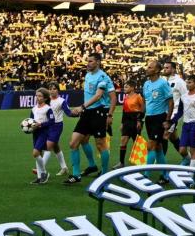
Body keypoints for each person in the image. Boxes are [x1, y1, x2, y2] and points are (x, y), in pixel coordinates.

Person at [64, 52, 116, 185]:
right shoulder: (88, 75)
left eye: (91, 61)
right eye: (87, 61)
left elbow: (100, 96)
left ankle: (104, 174)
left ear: (98, 62)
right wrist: (84, 109)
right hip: (87, 112)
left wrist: (109, 114)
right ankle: (76, 175)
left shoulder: (103, 77)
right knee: (74, 142)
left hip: (99, 112)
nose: (88, 63)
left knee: (100, 144)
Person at [141, 59, 173, 181]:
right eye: (148, 67)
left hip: (159, 118)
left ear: (157, 70)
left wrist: (167, 119)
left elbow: (170, 102)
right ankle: (165, 175)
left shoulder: (162, 83)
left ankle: (146, 175)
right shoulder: (146, 84)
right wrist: (140, 118)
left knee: (151, 146)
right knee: (158, 147)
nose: (147, 69)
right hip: (149, 118)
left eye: (150, 67)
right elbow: (145, 101)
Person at [176, 74, 195, 167]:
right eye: (187, 82)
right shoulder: (183, 96)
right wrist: (171, 121)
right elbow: (180, 112)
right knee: (182, 150)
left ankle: (192, 176)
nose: (187, 84)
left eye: (190, 82)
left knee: (193, 151)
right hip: (185, 125)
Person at [162, 61, 189, 160]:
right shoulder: (164, 81)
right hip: (166, 111)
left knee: (165, 135)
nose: (165, 69)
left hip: (175, 112)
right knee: (173, 138)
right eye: (164, 67)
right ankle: (189, 159)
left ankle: (160, 164)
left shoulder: (179, 81)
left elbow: (186, 96)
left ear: (173, 69)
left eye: (167, 68)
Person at [29, 88, 53, 185]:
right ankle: (39, 177)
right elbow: (30, 121)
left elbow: (52, 121)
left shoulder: (48, 108)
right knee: (39, 154)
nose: (37, 98)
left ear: (45, 98)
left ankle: (44, 173)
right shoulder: (34, 109)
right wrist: (29, 127)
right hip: (36, 133)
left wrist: (40, 124)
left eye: (40, 96)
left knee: (35, 153)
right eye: (36, 96)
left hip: (44, 133)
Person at [118, 80, 145, 167]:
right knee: (123, 140)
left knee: (136, 142)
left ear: (132, 88)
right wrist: (122, 123)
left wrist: (139, 121)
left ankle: (139, 163)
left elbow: (142, 110)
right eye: (124, 87)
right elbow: (124, 111)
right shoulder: (126, 98)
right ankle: (121, 163)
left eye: (126, 87)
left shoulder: (138, 97)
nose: (124, 88)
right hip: (127, 121)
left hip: (135, 121)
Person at [45, 84, 69, 175]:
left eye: (54, 89)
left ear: (58, 90)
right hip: (47, 125)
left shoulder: (61, 101)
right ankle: (64, 168)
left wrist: (77, 113)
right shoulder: (47, 101)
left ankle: (40, 168)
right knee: (55, 146)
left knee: (48, 146)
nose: (52, 91)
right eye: (50, 89)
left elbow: (68, 112)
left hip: (57, 126)